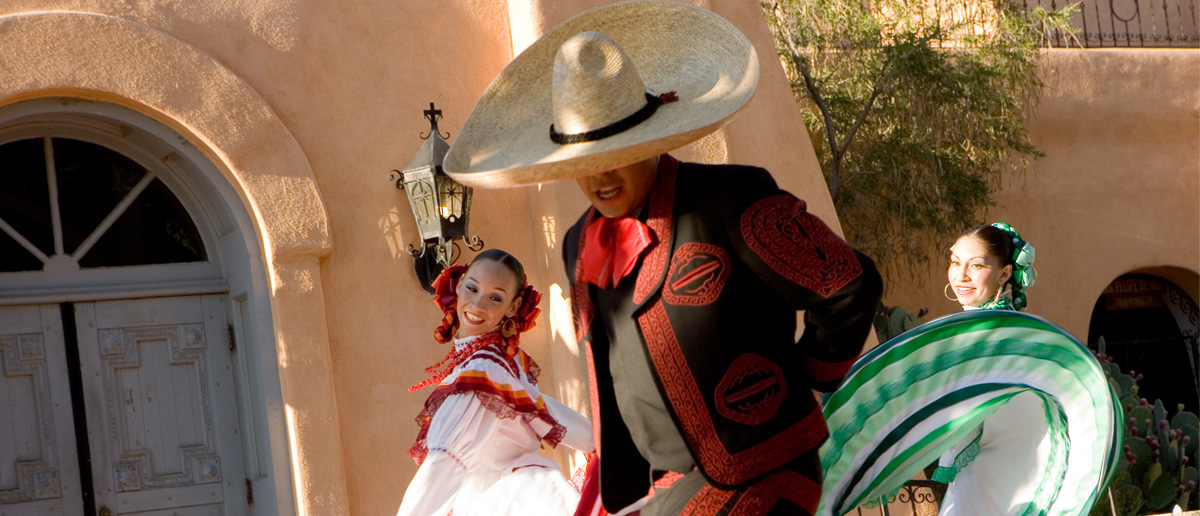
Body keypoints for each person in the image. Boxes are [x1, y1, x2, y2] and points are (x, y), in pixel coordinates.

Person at [442, 3, 883, 515]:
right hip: (662, 487)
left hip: (760, 465)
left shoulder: (729, 198)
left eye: (617, 157)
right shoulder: (576, 243)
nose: (601, 179)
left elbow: (848, 284)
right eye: (582, 165)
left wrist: (801, 379)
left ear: (652, 143)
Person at [817, 223, 1120, 516]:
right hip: (995, 472)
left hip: (1009, 472)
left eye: (976, 266)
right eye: (955, 262)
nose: (960, 275)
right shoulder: (983, 336)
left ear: (1004, 273)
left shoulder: (1000, 338)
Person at [397, 249, 594, 516]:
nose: (477, 305)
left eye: (495, 297)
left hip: (503, 500)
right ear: (460, 282)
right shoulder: (499, 360)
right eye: (472, 288)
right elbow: (548, 410)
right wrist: (595, 441)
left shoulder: (484, 368)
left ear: (512, 307)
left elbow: (444, 462)